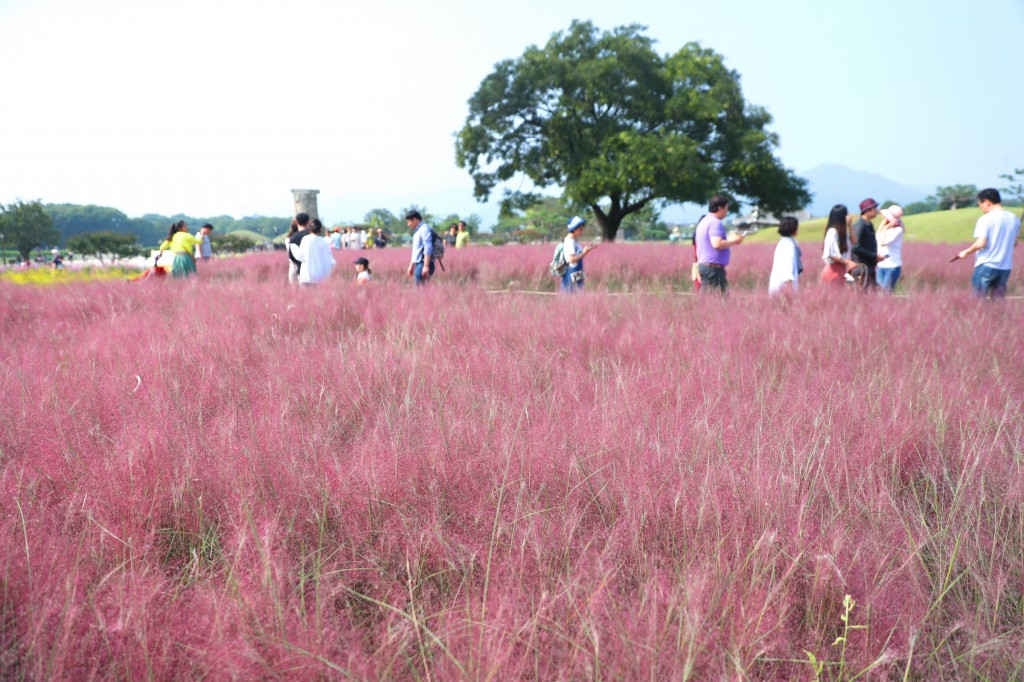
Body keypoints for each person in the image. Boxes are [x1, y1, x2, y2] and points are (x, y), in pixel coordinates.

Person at [952, 188, 1021, 298]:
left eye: (980, 204)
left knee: (978, 302)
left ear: (987, 202)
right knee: (998, 303)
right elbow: (1014, 243)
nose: (981, 207)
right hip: (1005, 267)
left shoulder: (985, 219)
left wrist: (966, 252)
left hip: (986, 265)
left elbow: (981, 244)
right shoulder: (1014, 219)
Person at [694, 195, 743, 294]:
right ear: (720, 208)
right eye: (726, 208)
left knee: (711, 300)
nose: (727, 212)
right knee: (714, 302)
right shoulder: (715, 223)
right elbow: (717, 243)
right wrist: (735, 241)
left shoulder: (704, 221)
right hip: (713, 269)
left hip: (707, 267)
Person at [820, 204, 858, 286]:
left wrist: (850, 226)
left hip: (841, 269)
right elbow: (830, 254)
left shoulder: (842, 232)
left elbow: (854, 241)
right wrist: (848, 262)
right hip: (833, 270)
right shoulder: (832, 232)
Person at [851, 198, 886, 288]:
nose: (877, 211)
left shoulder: (868, 225)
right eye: (874, 208)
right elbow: (855, 247)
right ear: (868, 210)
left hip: (868, 267)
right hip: (861, 268)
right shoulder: (860, 226)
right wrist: (874, 256)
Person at [561, 215, 598, 293]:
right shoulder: (570, 241)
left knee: (578, 294)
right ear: (574, 229)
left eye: (582, 227)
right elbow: (571, 259)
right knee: (571, 296)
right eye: (580, 228)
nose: (582, 230)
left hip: (577, 273)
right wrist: (585, 252)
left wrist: (587, 249)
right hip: (571, 274)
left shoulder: (574, 241)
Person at [294, 219, 335, 285]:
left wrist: (294, 248)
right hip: (321, 278)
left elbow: (300, 256)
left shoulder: (306, 239)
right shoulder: (324, 242)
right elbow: (330, 261)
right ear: (320, 228)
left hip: (307, 276)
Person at [768, 216, 802, 294]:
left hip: (777, 286)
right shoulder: (788, 245)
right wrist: (789, 289)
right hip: (784, 289)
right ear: (794, 229)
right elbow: (788, 268)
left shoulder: (782, 243)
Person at [876, 205, 905, 292]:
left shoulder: (898, 230)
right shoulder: (886, 229)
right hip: (881, 265)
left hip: (892, 266)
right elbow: (877, 238)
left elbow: (884, 242)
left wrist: (885, 228)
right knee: (879, 291)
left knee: (886, 292)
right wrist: (882, 226)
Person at [405, 210, 435, 285]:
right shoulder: (418, 231)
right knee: (422, 288)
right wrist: (411, 266)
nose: (408, 224)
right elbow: (416, 251)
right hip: (419, 263)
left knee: (420, 288)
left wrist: (425, 266)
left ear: (414, 219)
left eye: (409, 221)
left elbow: (428, 248)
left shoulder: (424, 229)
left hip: (424, 263)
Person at [287, 213, 311, 284]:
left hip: (301, 270)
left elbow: (291, 257)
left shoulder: (293, 238)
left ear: (296, 222)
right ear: (308, 221)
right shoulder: (312, 235)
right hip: (316, 272)